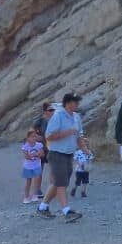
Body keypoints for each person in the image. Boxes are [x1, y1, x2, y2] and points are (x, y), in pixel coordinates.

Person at [38, 94, 84, 222]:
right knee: (61, 183)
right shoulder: (58, 116)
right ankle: (66, 211)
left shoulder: (76, 117)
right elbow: (49, 136)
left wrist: (85, 150)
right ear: (68, 103)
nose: (77, 104)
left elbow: (79, 135)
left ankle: (42, 207)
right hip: (57, 154)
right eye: (76, 102)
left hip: (68, 154)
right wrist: (67, 133)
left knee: (58, 182)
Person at [20, 128, 45, 203]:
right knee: (28, 181)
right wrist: (36, 154)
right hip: (28, 166)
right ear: (28, 138)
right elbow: (26, 156)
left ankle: (35, 195)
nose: (33, 138)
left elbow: (42, 154)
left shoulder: (39, 145)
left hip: (37, 165)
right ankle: (26, 197)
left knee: (37, 181)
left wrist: (34, 154)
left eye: (35, 136)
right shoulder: (26, 146)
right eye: (31, 137)